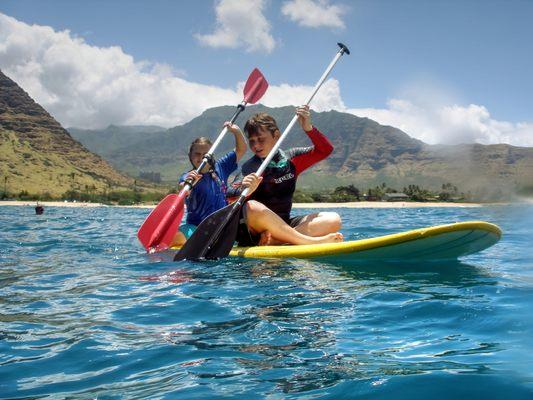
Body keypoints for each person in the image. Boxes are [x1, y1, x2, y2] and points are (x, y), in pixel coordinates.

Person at [228, 105, 343, 246]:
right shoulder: (251, 167)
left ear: (276, 135)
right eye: (252, 140)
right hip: (254, 231)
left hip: (283, 225)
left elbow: (325, 150)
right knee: (252, 207)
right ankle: (308, 241)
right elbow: (228, 194)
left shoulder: (292, 159)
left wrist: (308, 128)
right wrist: (243, 188)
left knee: (333, 219)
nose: (256, 145)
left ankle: (276, 240)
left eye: (260, 139)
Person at [171, 122, 246, 246]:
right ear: (190, 156)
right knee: (176, 237)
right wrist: (188, 185)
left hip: (221, 227)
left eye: (205, 154)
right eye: (197, 154)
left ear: (211, 156)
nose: (201, 158)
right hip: (195, 228)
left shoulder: (221, 167)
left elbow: (241, 149)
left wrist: (236, 131)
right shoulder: (188, 177)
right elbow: (183, 188)